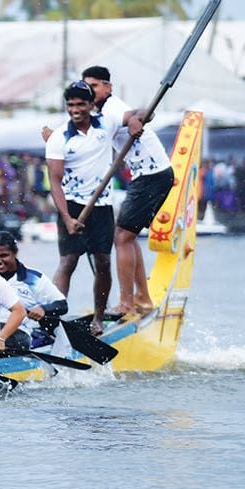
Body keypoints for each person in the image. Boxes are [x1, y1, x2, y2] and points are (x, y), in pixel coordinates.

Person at [83, 66, 175, 317]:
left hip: (152, 174)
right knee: (126, 235)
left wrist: (135, 120)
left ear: (107, 87)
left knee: (122, 237)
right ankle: (142, 297)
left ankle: (127, 303)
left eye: (94, 86)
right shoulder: (100, 113)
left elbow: (143, 112)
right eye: (86, 86)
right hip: (147, 175)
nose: (89, 91)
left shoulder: (113, 106)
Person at [45, 80, 137, 334]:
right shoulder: (58, 138)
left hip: (101, 207)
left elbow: (139, 114)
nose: (75, 110)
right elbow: (55, 182)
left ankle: (98, 319)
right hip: (72, 206)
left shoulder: (106, 124)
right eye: (71, 105)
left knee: (103, 262)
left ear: (90, 105)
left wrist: (135, 123)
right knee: (68, 262)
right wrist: (66, 218)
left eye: (80, 104)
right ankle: (52, 322)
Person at [0, 231, 69, 348]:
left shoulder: (34, 279)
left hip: (18, 333)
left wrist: (43, 309)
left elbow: (62, 305)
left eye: (4, 256)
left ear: (15, 253)